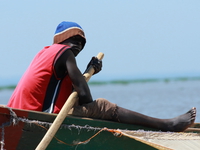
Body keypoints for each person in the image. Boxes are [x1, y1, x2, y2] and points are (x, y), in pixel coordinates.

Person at [7, 21, 196, 132]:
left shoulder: (44, 53)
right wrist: (91, 71)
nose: (78, 46)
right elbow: (86, 97)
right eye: (74, 40)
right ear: (62, 40)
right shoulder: (65, 52)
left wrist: (86, 72)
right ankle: (168, 124)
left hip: (15, 112)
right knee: (103, 106)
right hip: (38, 115)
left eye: (81, 42)